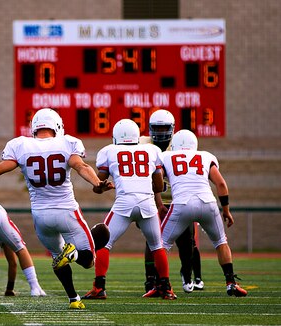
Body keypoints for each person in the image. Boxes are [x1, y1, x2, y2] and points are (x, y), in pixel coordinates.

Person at [0, 108, 111, 309]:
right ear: (57, 126)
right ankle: (73, 254)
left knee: (59, 258)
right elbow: (81, 166)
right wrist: (96, 183)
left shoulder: (20, 145)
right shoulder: (67, 142)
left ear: (34, 128)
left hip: (40, 217)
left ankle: (73, 299)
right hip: (66, 211)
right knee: (87, 260)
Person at [86, 118, 177, 300]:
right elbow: (159, 186)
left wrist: (102, 187)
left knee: (104, 243)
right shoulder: (152, 150)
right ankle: (166, 288)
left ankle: (99, 287)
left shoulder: (109, 151)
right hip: (147, 202)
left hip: (124, 203)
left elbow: (98, 185)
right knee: (157, 246)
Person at [160, 130, 247, 297]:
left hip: (181, 204)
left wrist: (157, 202)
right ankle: (230, 282)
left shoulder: (166, 157)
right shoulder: (206, 156)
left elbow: (156, 180)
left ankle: (163, 285)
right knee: (221, 242)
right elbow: (221, 184)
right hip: (208, 203)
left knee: (161, 245)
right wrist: (226, 211)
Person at [140, 109, 204, 294]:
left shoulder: (180, 144)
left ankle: (188, 275)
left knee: (187, 243)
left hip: (180, 202)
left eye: (164, 128)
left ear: (172, 129)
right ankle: (151, 279)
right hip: (153, 201)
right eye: (156, 128)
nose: (160, 133)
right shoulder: (143, 144)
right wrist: (157, 203)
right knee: (151, 241)